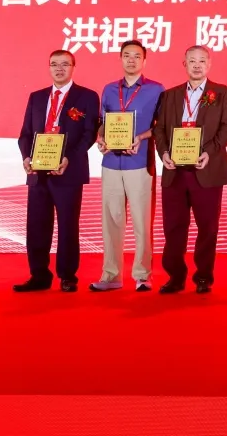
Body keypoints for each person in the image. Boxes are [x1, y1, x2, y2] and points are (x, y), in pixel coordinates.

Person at [152, 46, 227, 294]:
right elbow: (159, 129)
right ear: (184, 64)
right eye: (192, 61)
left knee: (208, 228)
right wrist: (164, 153)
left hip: (207, 170)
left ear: (209, 64)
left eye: (201, 61)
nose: (197, 65)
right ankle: (175, 277)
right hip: (175, 172)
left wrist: (209, 152)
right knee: (173, 228)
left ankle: (203, 277)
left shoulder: (222, 93)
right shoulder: (170, 95)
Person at [14, 49, 100, 292]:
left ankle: (67, 276)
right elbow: (25, 134)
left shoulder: (87, 96)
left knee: (67, 226)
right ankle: (39, 275)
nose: (59, 69)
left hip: (68, 171)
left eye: (65, 64)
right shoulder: (37, 97)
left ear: (73, 67)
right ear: (49, 67)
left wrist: (68, 158)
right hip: (38, 172)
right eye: (54, 64)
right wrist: (27, 157)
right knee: (37, 225)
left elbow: (89, 134)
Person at [91, 40, 164, 293]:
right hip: (111, 162)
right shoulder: (109, 89)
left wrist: (141, 137)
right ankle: (111, 275)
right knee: (111, 220)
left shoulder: (156, 89)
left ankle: (142, 276)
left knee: (142, 221)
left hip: (139, 161)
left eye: (136, 56)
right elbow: (103, 121)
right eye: (126, 55)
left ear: (144, 60)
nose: (131, 60)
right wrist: (101, 138)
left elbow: (161, 126)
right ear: (120, 58)